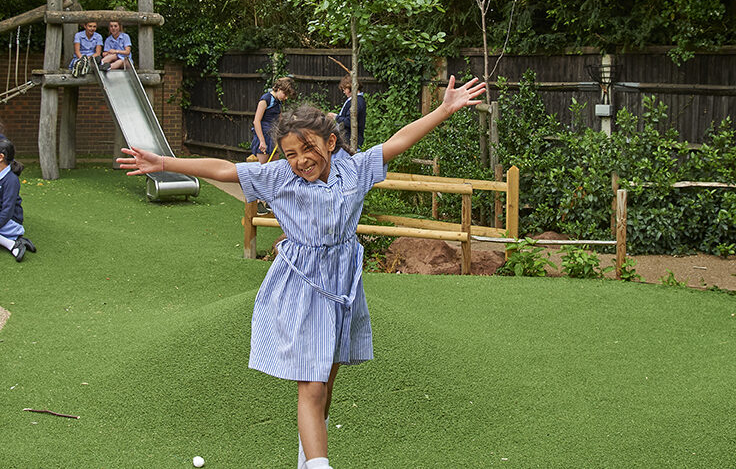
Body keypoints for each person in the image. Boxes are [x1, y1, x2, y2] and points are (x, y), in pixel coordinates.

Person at [118, 75, 486, 469]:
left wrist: (445, 108)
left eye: (307, 148)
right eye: (290, 153)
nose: (300, 160)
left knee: (326, 383)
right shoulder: (279, 178)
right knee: (311, 384)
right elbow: (225, 169)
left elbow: (398, 140)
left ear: (330, 142)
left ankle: (307, 457)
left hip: (343, 286)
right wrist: (163, 162)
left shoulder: (355, 171)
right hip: (302, 287)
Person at [250, 77, 296, 165]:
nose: (286, 98)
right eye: (285, 94)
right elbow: (256, 121)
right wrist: (262, 141)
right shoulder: (265, 99)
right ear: (279, 89)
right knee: (262, 168)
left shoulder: (278, 101)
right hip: (264, 136)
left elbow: (279, 119)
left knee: (274, 167)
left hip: (273, 136)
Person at [327, 77, 366, 150]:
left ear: (351, 87)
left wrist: (335, 117)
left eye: (345, 89)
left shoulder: (357, 102)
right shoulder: (353, 100)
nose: (344, 92)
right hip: (346, 141)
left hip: (351, 142)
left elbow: (349, 121)